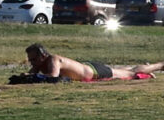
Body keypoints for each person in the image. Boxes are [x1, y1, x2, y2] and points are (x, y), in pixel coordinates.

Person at [21, 44, 161, 83]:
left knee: (132, 72)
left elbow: (53, 76)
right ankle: (147, 68)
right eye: (30, 60)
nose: (32, 62)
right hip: (89, 69)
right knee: (125, 70)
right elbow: (31, 74)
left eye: (33, 59)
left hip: (95, 72)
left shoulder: (53, 60)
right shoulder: (39, 64)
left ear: (43, 55)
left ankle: (159, 65)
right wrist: (26, 75)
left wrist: (32, 76)